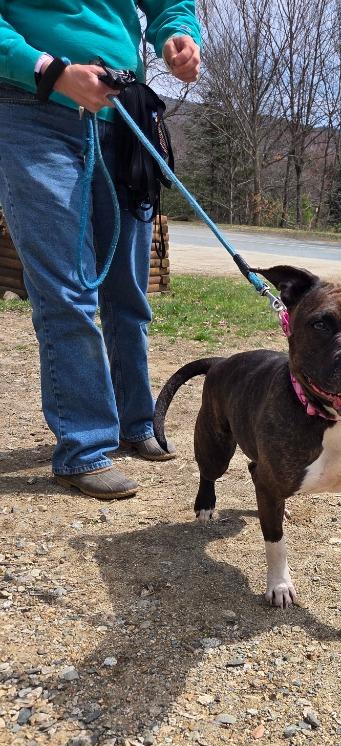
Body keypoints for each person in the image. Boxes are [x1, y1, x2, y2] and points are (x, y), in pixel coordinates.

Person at [0, 2, 202, 499]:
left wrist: (175, 32)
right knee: (69, 289)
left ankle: (136, 421)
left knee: (128, 288)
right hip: (30, 108)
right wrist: (48, 69)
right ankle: (85, 447)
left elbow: (169, 3)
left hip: (121, 112)